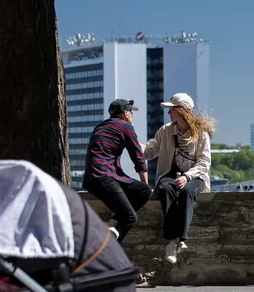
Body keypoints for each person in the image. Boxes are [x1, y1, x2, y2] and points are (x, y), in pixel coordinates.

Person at [143, 92, 214, 265]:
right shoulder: (166, 131)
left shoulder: (201, 134)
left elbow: (204, 162)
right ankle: (172, 240)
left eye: (172, 110)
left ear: (182, 111)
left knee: (187, 191)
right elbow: (150, 151)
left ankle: (182, 239)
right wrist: (130, 141)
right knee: (166, 189)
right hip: (169, 174)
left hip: (195, 176)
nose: (169, 113)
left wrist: (187, 176)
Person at [83, 98, 151, 240]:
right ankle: (108, 252)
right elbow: (137, 156)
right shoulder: (125, 127)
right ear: (126, 113)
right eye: (131, 112)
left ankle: (113, 222)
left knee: (142, 191)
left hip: (92, 179)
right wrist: (146, 183)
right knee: (131, 216)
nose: (132, 115)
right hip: (104, 176)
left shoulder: (101, 126)